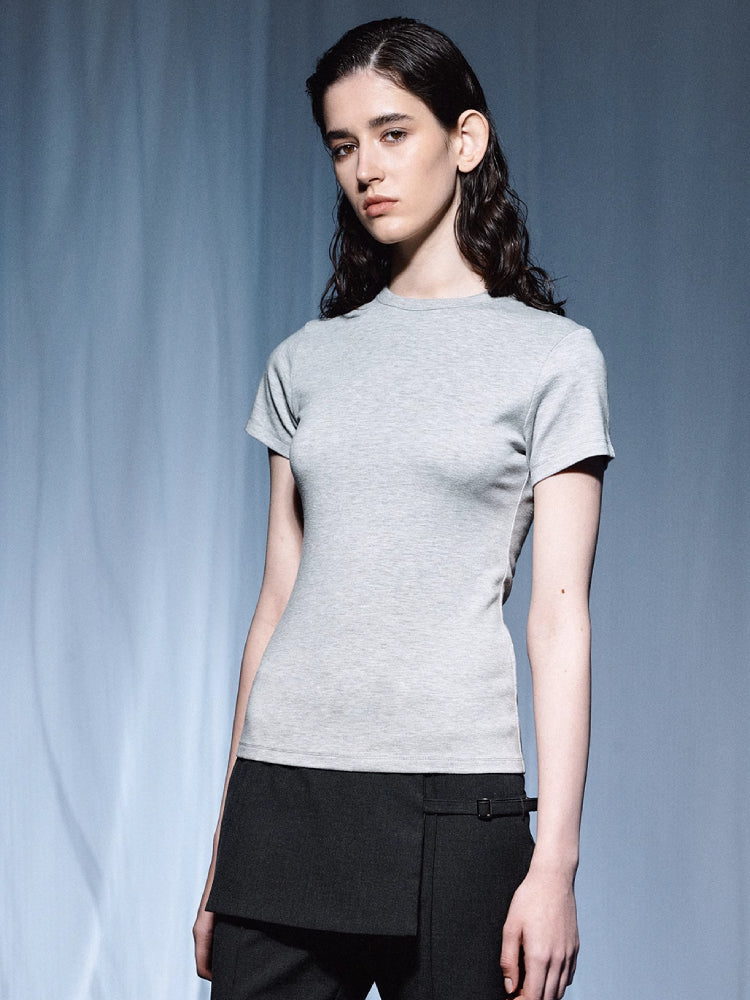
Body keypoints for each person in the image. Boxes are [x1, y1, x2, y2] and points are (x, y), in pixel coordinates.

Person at [194, 17, 613, 1000]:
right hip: (280, 800)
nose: (366, 169)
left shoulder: (553, 360)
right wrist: (221, 853)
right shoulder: (305, 362)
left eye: (392, 134)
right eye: (343, 145)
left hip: (454, 809)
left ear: (465, 140)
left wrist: (555, 864)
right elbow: (275, 603)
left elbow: (559, 619)